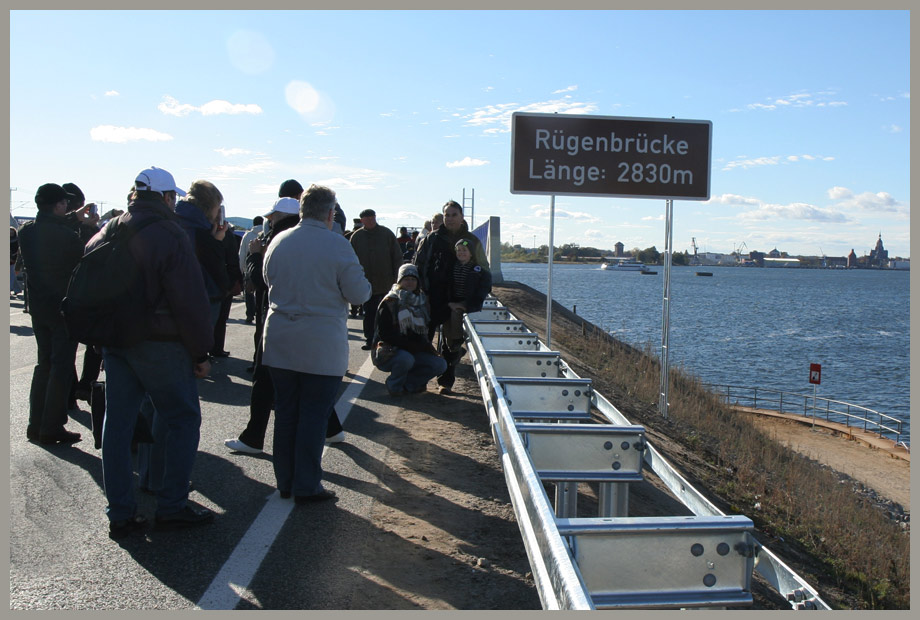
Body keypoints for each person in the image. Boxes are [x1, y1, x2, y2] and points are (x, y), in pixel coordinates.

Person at [92, 166, 215, 537]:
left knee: (118, 425)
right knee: (181, 419)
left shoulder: (109, 228)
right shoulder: (169, 233)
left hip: (116, 342)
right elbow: (189, 300)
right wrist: (200, 352)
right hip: (159, 343)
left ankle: (121, 512)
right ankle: (172, 504)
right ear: (165, 197)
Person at [261, 184, 370, 503]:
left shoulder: (279, 241)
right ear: (330, 212)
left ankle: (285, 480)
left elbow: (268, 280)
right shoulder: (337, 245)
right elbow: (359, 294)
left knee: (286, 413)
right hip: (320, 343)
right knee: (312, 415)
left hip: (280, 338)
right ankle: (306, 485)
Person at [17, 183, 85, 444]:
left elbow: (48, 226)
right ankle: (52, 426)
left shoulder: (27, 232)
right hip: (63, 309)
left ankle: (36, 424)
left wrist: (71, 219)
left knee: (43, 364)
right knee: (61, 367)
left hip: (39, 308)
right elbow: (82, 261)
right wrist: (82, 224)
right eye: (64, 203)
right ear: (58, 205)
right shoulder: (68, 236)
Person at [413, 200, 489, 390]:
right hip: (432, 297)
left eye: (454, 214)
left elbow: (484, 274)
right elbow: (420, 266)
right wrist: (422, 293)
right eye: (447, 215)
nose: (450, 218)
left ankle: (446, 381)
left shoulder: (472, 241)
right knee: (424, 340)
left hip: (457, 301)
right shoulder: (432, 239)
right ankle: (420, 380)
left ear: (462, 217)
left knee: (451, 343)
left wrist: (471, 302)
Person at [372, 263, 447, 396]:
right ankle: (394, 386)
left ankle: (410, 385)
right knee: (406, 359)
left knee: (439, 364)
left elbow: (427, 328)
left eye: (413, 279)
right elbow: (385, 333)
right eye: (406, 279)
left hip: (414, 349)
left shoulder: (422, 302)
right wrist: (409, 346)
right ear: (400, 281)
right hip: (389, 349)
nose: (410, 282)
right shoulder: (390, 301)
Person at [438, 239, 492, 393]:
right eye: (458, 250)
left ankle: (456, 345)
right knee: (446, 332)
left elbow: (482, 290)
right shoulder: (451, 267)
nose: (461, 253)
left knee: (455, 318)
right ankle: (454, 347)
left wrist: (466, 305)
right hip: (450, 303)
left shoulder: (477, 270)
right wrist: (448, 302)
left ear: (471, 253)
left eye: (464, 250)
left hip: (466, 306)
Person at [174, 180, 230, 329]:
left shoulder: (172, 223)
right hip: (195, 308)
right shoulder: (201, 235)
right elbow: (218, 282)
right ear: (210, 206)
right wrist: (216, 242)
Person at [349, 208, 402, 350]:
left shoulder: (386, 234)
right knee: (369, 313)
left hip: (386, 282)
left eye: (373, 218)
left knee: (388, 313)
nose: (371, 221)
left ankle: (387, 340)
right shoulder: (357, 237)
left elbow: (397, 256)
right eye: (368, 219)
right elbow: (351, 260)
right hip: (366, 283)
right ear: (362, 221)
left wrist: (397, 278)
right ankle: (370, 339)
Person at [239, 216, 264, 324]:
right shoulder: (264, 234)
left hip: (248, 267)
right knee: (260, 292)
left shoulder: (248, 235)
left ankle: (250, 314)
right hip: (260, 267)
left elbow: (242, 253)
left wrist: (242, 269)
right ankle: (260, 311)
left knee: (249, 291)